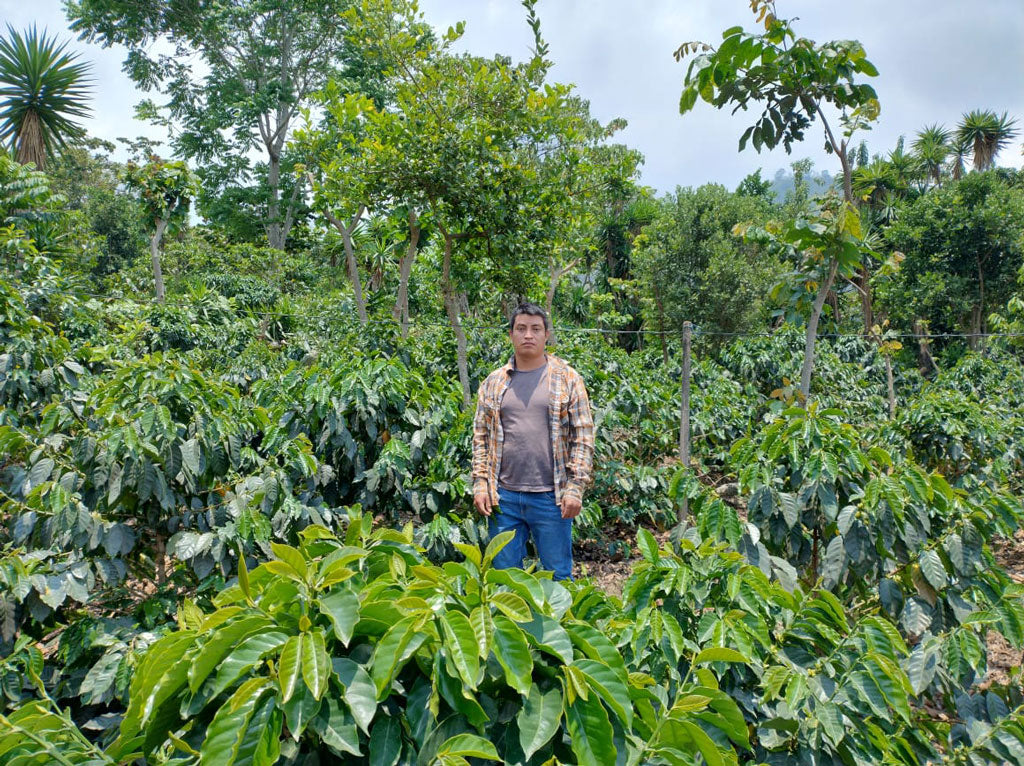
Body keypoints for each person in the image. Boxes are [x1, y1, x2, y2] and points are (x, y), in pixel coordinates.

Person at [472, 302, 594, 580]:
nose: (528, 335)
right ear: (511, 335)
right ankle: (511, 624)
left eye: (535, 329)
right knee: (504, 578)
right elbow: (481, 436)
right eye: (521, 328)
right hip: (504, 498)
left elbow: (583, 435)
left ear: (546, 335)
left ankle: (560, 624)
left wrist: (576, 487)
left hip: (552, 497)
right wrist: (480, 482)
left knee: (558, 576)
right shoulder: (493, 382)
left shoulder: (568, 379)